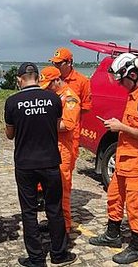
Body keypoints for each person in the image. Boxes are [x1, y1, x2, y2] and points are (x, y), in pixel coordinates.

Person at [89, 53, 138, 265]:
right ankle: (112, 235)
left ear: (132, 74)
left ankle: (137, 247)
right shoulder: (133, 95)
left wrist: (120, 127)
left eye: (121, 79)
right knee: (114, 198)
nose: (120, 84)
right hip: (124, 162)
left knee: (135, 206)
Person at [4, 62, 77, 267]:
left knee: (29, 212)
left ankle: (36, 258)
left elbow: (10, 135)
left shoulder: (12, 102)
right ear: (36, 77)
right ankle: (59, 255)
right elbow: (56, 126)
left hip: (25, 164)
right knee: (54, 209)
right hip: (50, 162)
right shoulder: (54, 99)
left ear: (19, 79)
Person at [39, 66, 81, 233]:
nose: (47, 88)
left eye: (49, 84)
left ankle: (65, 225)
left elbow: (68, 124)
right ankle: (53, 221)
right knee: (50, 189)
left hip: (63, 149)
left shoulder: (70, 98)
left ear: (57, 80)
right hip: (51, 147)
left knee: (62, 188)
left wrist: (44, 123)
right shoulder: (54, 96)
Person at [49, 47, 91, 162]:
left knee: (65, 170)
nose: (55, 66)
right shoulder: (51, 80)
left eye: (58, 63)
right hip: (50, 130)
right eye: (54, 63)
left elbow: (85, 108)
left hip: (70, 133)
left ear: (69, 62)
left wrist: (70, 114)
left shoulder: (82, 81)